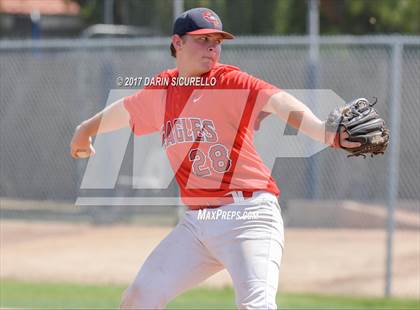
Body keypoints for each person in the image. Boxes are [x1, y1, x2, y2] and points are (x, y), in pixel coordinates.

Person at [70, 8, 359, 309]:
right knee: (138, 298)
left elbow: (279, 101)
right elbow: (126, 110)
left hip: (248, 216)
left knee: (256, 305)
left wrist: (323, 132)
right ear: (177, 43)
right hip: (198, 223)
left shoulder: (228, 81)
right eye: (202, 39)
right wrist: (85, 129)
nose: (212, 46)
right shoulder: (163, 90)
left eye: (217, 40)